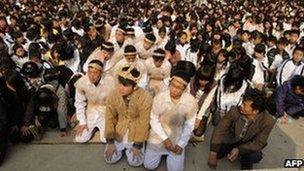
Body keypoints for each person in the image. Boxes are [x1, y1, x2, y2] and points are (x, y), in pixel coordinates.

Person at [144, 61, 198, 171]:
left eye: (179, 87)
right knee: (149, 165)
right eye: (172, 85)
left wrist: (182, 144)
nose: (174, 89)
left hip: (177, 137)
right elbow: (153, 119)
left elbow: (189, 125)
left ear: (185, 89)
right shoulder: (159, 98)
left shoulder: (191, 102)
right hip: (157, 137)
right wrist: (165, 139)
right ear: (169, 83)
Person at [208, 88, 276, 170]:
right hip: (232, 139)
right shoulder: (234, 111)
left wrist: (239, 149)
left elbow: (259, 142)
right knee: (216, 150)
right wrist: (213, 153)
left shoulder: (268, 121)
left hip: (249, 143)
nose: (240, 106)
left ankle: (244, 158)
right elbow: (220, 129)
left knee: (255, 156)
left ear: (255, 111)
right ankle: (232, 150)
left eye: (244, 105)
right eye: (242, 102)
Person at [104, 65, 152, 167]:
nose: (120, 88)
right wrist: (110, 142)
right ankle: (120, 146)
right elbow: (109, 117)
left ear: (134, 87)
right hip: (120, 128)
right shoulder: (113, 94)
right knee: (110, 159)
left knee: (135, 162)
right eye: (120, 83)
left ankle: (138, 145)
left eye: (125, 85)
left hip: (136, 129)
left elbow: (144, 121)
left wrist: (138, 145)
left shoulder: (145, 97)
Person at [74, 60, 116, 143]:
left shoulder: (111, 81)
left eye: (95, 73)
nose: (92, 76)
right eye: (90, 72)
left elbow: (117, 101)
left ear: (101, 73)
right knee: (80, 138)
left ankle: (101, 130)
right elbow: (79, 103)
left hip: (106, 111)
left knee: (106, 139)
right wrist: (82, 122)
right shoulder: (81, 82)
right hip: (91, 110)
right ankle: (93, 129)